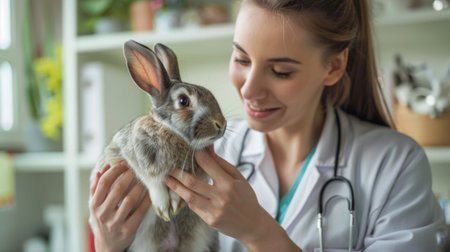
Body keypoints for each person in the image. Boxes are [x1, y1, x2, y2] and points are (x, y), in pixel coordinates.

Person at [89, 0, 444, 251]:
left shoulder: (394, 164)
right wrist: (109, 244)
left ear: (333, 67)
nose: (249, 89)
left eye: (281, 71)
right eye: (241, 58)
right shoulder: (211, 147)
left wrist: (258, 233)